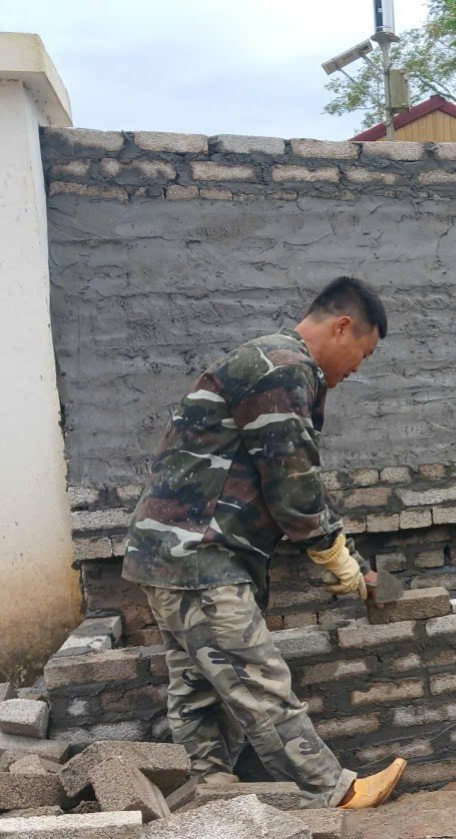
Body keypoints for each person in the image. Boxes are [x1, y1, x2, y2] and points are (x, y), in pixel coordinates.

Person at [121, 276, 406, 807]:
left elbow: (287, 476)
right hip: (199, 557)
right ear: (341, 326)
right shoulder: (284, 368)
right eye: (361, 355)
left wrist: (348, 556)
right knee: (258, 681)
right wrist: (335, 556)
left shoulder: (266, 362)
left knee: (200, 690)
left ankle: (211, 793)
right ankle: (334, 789)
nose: (355, 370)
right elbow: (294, 482)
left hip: (169, 554)